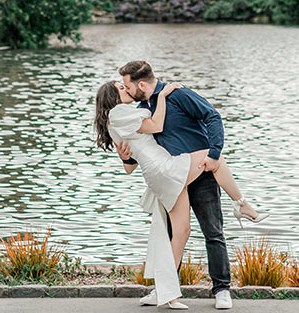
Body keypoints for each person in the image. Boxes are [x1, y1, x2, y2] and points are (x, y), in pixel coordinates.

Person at [93, 61, 267, 310]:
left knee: (208, 232)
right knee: (175, 233)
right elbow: (133, 159)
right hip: (170, 173)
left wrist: (214, 154)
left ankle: (220, 290)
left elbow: (212, 116)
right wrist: (123, 156)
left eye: (127, 86)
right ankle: (241, 204)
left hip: (201, 171)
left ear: (141, 84)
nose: (127, 91)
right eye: (123, 88)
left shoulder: (178, 95)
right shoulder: (139, 108)